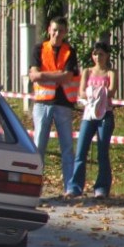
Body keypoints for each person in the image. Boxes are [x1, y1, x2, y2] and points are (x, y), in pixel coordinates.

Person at [29, 16, 80, 196]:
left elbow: (67, 77)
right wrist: (57, 75)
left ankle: (70, 187)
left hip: (63, 103)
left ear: (65, 32)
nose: (57, 34)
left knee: (67, 147)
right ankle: (34, 187)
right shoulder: (39, 49)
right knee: (38, 147)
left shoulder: (69, 51)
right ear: (49, 30)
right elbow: (34, 75)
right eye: (54, 30)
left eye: (61, 31)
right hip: (42, 103)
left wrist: (44, 75)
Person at [66, 41, 117, 198]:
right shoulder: (87, 72)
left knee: (102, 152)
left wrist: (97, 92)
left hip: (105, 115)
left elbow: (111, 91)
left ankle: (101, 187)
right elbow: (81, 92)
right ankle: (75, 186)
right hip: (89, 115)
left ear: (107, 55)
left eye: (101, 54)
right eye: (95, 54)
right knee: (81, 151)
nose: (98, 57)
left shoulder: (110, 73)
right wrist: (93, 93)